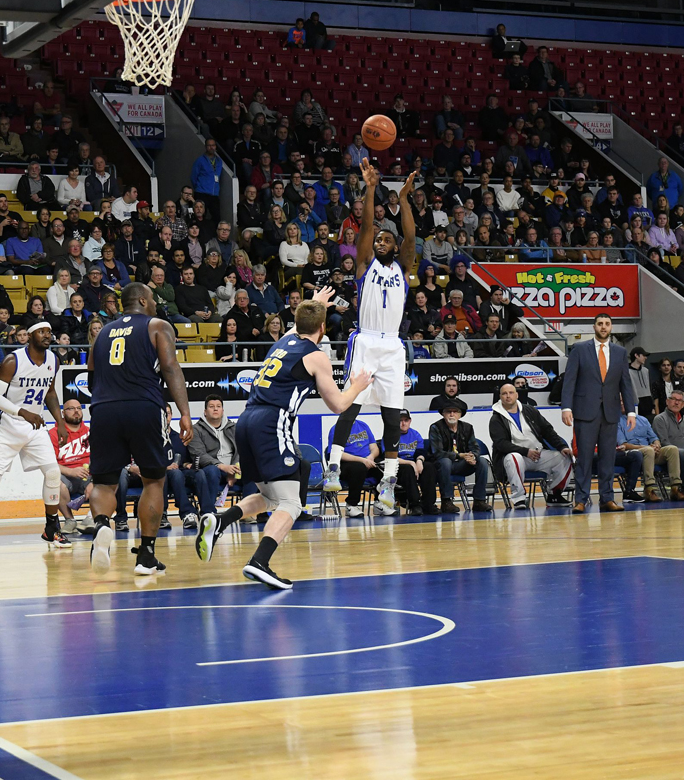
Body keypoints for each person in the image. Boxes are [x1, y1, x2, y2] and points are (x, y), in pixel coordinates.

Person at [195, 289, 372, 589]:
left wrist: (316, 304)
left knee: (271, 497)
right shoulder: (317, 356)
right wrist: (357, 385)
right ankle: (259, 562)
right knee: (292, 502)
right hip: (271, 423)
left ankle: (220, 521)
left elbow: (303, 323)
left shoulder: (283, 342)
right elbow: (339, 405)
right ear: (323, 328)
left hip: (246, 420)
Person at [323, 160, 419, 516]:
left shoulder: (403, 268)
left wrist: (404, 200)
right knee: (350, 407)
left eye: (386, 239)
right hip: (365, 341)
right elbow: (365, 226)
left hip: (392, 346)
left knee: (392, 418)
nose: (380, 241)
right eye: (378, 239)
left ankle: (389, 481)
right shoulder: (365, 266)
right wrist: (371, 188)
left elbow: (411, 237)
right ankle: (334, 467)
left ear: (395, 247)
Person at [87, 283, 194, 576]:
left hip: (103, 409)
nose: (157, 304)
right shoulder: (157, 325)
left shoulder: (102, 333)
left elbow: (91, 377)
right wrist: (185, 413)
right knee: (154, 481)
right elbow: (170, 367)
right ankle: (146, 555)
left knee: (104, 483)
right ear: (144, 301)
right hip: (143, 406)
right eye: (154, 300)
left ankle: (101, 525)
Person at [0, 322, 69, 552]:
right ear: (29, 336)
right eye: (42, 332)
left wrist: (60, 422)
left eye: (49, 332)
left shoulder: (54, 360)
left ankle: (51, 529)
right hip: (8, 425)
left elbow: (50, 392)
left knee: (53, 473)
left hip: (36, 425)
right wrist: (22, 412)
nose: (47, 335)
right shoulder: (13, 360)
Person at [561, 313, 636, 512]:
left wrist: (631, 411)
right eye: (600, 323)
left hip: (610, 412)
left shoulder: (620, 352)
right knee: (584, 458)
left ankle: (607, 498)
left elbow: (625, 383)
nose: (604, 327)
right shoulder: (579, 349)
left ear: (611, 327)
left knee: (608, 458)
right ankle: (581, 500)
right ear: (594, 327)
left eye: (607, 324)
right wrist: (566, 407)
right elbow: (570, 380)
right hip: (585, 411)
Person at [490, 382, 572, 510]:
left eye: (511, 393)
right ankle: (519, 499)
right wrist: (525, 451)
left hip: (537, 454)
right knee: (513, 457)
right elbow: (501, 444)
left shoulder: (530, 410)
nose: (508, 396)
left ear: (517, 395)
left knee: (564, 457)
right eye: (504, 394)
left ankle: (554, 495)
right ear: (500, 397)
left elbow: (547, 431)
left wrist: (562, 447)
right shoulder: (496, 419)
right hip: (515, 458)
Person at [429, 399, 493, 513]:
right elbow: (437, 452)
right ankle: (446, 501)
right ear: (443, 413)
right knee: (445, 462)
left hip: (462, 464)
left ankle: (479, 500)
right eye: (448, 411)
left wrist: (472, 456)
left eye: (455, 411)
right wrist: (460, 456)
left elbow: (475, 447)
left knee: (482, 461)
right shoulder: (435, 427)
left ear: (460, 414)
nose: (451, 414)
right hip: (442, 466)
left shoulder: (468, 427)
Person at [51, 399, 92, 534]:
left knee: (105, 481)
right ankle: (70, 521)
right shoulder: (54, 433)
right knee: (53, 481)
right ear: (63, 413)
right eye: (71, 409)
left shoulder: (91, 432)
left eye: (79, 408)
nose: (76, 411)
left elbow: (100, 459)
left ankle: (90, 519)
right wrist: (70, 471)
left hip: (89, 476)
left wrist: (94, 479)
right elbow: (49, 463)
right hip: (66, 476)